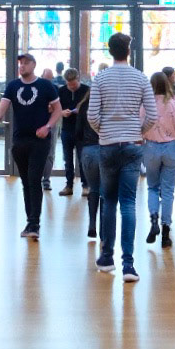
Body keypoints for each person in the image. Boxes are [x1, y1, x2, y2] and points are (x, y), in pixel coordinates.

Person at [87, 32, 157, 282]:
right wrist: (139, 132)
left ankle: (107, 258)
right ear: (129, 51)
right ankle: (129, 265)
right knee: (128, 203)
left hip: (107, 145)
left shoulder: (100, 79)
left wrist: (104, 132)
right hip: (132, 145)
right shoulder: (140, 78)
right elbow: (152, 115)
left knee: (108, 201)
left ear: (110, 51)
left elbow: (92, 115)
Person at [0, 52, 61, 239]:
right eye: (20, 63)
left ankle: (35, 224)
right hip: (19, 141)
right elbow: (1, 109)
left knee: (34, 179)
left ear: (34, 65)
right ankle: (30, 222)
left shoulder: (45, 86)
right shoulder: (13, 86)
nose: (22, 66)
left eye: (26, 63)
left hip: (40, 141)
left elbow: (58, 110)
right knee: (26, 182)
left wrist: (47, 127)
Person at [143, 70, 175, 248]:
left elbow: (138, 130)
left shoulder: (145, 106)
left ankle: (153, 219)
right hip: (171, 147)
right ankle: (165, 231)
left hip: (150, 148)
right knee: (168, 191)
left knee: (152, 187)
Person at [75, 84, 102, 241]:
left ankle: (92, 224)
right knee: (106, 190)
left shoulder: (84, 106)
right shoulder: (109, 105)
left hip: (89, 151)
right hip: (106, 149)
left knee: (93, 188)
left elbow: (78, 132)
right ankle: (104, 229)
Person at [57, 67, 88, 194]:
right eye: (69, 84)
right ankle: (69, 185)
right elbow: (55, 108)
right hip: (67, 129)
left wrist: (79, 111)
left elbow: (91, 108)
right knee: (68, 159)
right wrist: (62, 112)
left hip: (82, 130)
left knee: (83, 159)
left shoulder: (86, 90)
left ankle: (86, 185)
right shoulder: (61, 91)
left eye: (74, 84)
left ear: (78, 79)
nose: (72, 87)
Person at [40, 68, 59, 190]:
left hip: (52, 123)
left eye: (50, 79)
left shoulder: (55, 89)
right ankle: (36, 178)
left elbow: (57, 107)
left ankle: (46, 180)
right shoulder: (36, 88)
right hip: (38, 123)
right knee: (37, 151)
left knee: (50, 153)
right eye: (46, 78)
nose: (48, 81)